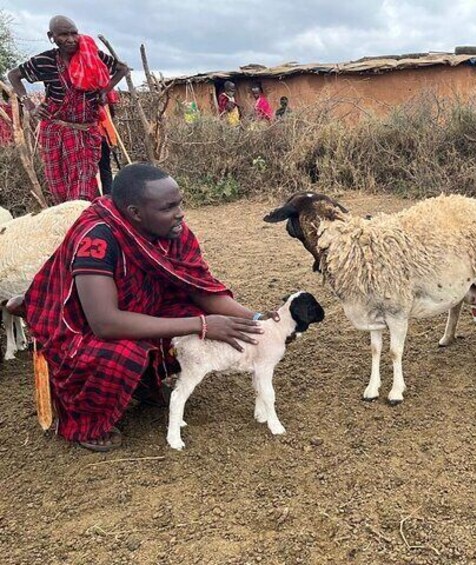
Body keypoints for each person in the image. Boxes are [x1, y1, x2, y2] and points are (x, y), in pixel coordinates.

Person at [23, 163, 278, 452]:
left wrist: (258, 319)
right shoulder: (97, 238)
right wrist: (201, 324)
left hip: (140, 309)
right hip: (77, 328)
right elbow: (104, 323)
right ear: (135, 213)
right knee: (125, 355)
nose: (179, 213)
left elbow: (199, 288)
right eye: (168, 207)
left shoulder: (172, 231)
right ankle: (85, 421)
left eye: (179, 204)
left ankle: (144, 383)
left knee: (196, 323)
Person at [7, 15, 128, 202]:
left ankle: (85, 224)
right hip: (54, 132)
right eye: (64, 35)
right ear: (52, 36)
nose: (71, 39)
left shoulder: (91, 56)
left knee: (83, 188)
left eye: (74, 33)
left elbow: (122, 68)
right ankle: (69, 225)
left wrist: (105, 91)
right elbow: (13, 75)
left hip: (85, 132)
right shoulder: (44, 61)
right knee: (59, 187)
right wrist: (29, 104)